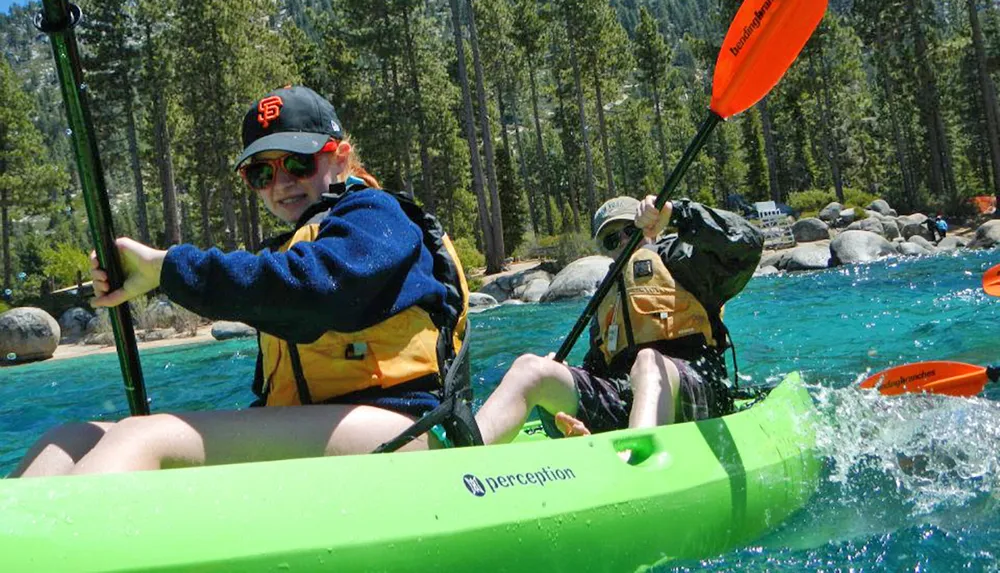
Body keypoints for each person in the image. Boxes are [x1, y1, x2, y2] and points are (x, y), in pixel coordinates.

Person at [11, 86, 477, 477]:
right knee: (70, 439)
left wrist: (168, 268)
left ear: (339, 160)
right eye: (260, 172)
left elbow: (315, 292)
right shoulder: (285, 250)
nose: (280, 183)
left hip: (407, 427)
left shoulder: (376, 217)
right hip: (317, 429)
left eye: (297, 163)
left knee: (142, 436)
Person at [474, 196, 763, 445]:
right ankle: (461, 459)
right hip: (627, 399)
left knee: (649, 361)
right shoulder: (606, 297)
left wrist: (677, 214)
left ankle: (635, 468)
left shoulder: (683, 261)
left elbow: (748, 244)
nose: (624, 242)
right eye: (613, 240)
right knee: (532, 368)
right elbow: (597, 372)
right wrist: (563, 399)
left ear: (649, 228)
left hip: (696, 388)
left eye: (630, 231)